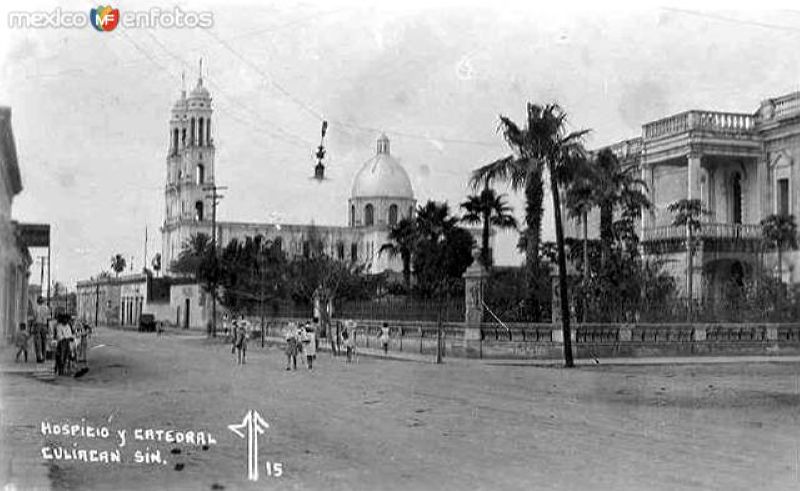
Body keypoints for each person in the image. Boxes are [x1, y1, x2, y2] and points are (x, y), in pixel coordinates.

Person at [33, 297, 49, 363]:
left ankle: (39, 357)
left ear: (37, 301)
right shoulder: (46, 307)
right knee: (44, 341)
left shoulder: (36, 307)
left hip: (38, 324)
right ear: (43, 301)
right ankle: (44, 357)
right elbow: (48, 316)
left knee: (37, 342)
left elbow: (34, 316)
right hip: (44, 325)